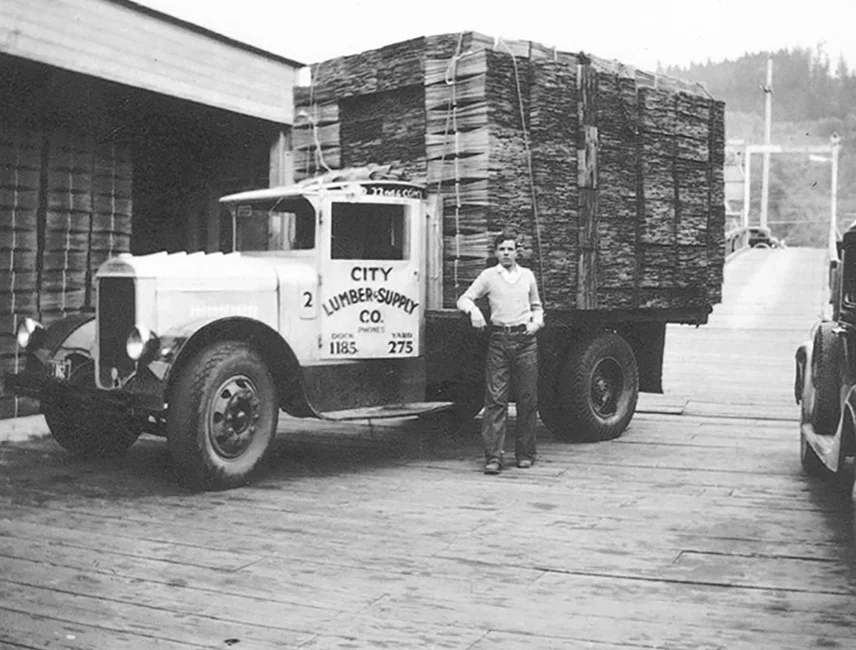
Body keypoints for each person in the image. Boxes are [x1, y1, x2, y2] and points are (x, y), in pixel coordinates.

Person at [457, 230, 543, 475]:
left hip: (525, 342)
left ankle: (525, 454)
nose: (506, 253)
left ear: (517, 252)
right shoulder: (488, 276)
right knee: (496, 400)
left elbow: (537, 306)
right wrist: (474, 312)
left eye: (510, 249)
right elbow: (464, 299)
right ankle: (494, 457)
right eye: (501, 249)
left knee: (527, 398)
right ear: (495, 253)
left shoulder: (527, 276)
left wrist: (536, 323)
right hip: (499, 340)